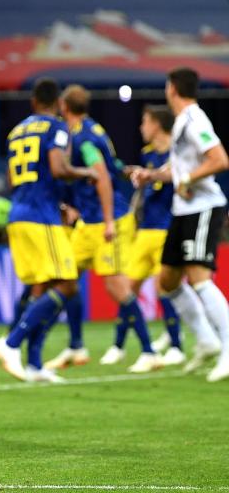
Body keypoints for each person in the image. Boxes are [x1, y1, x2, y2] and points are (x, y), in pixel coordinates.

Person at [46, 85, 160, 374]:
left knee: (116, 285)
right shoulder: (93, 129)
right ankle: (75, 345)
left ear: (63, 105)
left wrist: (109, 220)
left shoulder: (83, 137)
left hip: (110, 220)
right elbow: (111, 165)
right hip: (89, 220)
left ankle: (149, 351)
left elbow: (102, 178)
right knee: (67, 275)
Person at [0, 78, 97, 382]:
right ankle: (11, 343)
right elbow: (58, 168)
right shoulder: (57, 128)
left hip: (19, 213)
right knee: (67, 285)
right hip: (41, 217)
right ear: (57, 104)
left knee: (41, 288)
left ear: (34, 102)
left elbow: (13, 179)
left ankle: (35, 364)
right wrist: (86, 172)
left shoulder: (17, 131)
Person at [132, 67, 229, 382]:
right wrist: (154, 175)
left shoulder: (195, 120)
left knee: (200, 278)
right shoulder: (182, 124)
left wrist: (186, 178)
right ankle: (206, 339)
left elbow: (219, 159)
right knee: (168, 281)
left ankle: (227, 346)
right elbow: (180, 166)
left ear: (171, 87)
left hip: (203, 207)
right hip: (183, 209)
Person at [108, 105, 185, 366]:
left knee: (165, 288)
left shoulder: (179, 153)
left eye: (145, 122)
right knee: (129, 289)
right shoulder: (148, 154)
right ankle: (118, 345)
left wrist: (151, 177)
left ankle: (176, 345)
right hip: (145, 231)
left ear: (157, 124)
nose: (141, 127)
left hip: (167, 229)